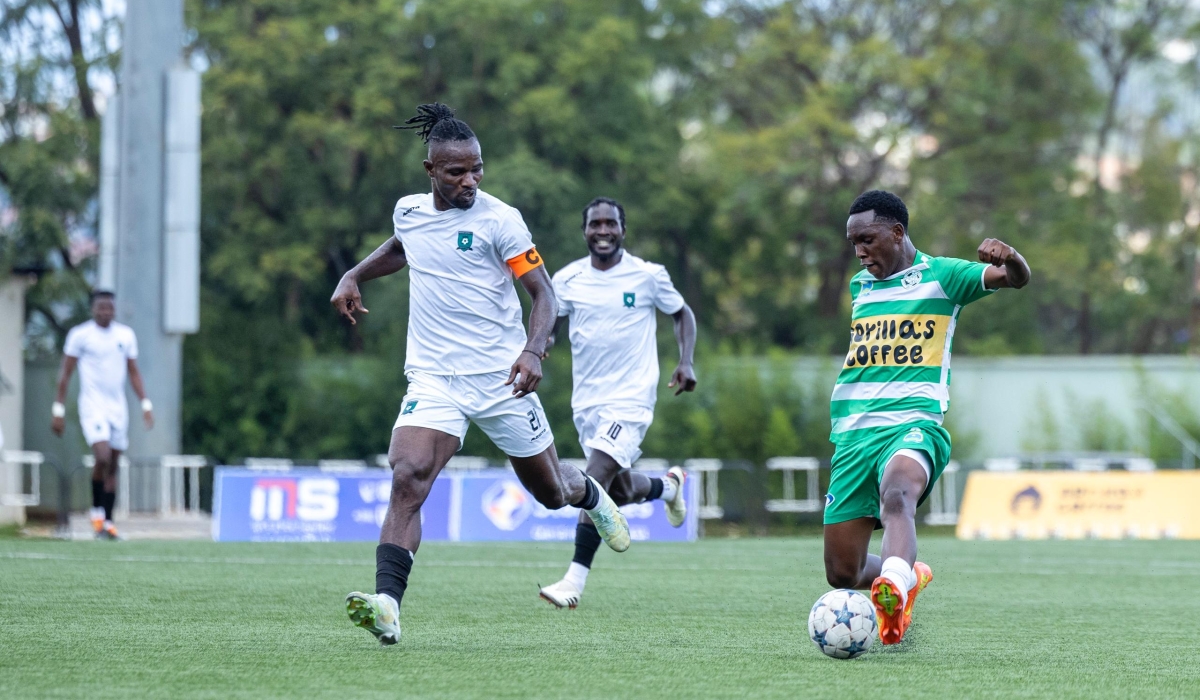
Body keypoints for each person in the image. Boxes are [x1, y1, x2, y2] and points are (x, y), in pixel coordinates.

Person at [330, 103, 631, 646]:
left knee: (551, 494)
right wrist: (354, 274)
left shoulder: (500, 220)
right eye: (455, 172)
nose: (469, 180)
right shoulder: (409, 212)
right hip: (433, 378)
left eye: (476, 169)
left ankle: (589, 493)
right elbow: (404, 246)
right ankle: (388, 606)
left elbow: (543, 292)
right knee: (407, 478)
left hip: (501, 377)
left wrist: (534, 351)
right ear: (430, 172)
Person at [822, 190, 1030, 644]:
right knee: (842, 572)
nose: (859, 251)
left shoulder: (943, 277)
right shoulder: (861, 287)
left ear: (897, 233)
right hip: (854, 435)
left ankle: (892, 587)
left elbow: (1016, 279)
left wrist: (1011, 257)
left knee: (897, 495)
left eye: (868, 239)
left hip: (913, 423)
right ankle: (907, 574)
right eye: (853, 242)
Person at [537, 197, 697, 609]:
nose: (603, 231)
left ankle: (573, 581)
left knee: (593, 477)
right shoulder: (568, 278)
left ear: (623, 229)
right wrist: (542, 341)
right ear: (585, 230)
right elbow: (549, 315)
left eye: (611, 223)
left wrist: (685, 360)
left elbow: (682, 314)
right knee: (618, 489)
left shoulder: (647, 276)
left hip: (631, 398)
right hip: (587, 402)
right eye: (595, 224)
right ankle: (668, 487)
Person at [52, 290, 154, 540]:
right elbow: (65, 373)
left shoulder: (125, 335)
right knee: (102, 456)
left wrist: (145, 404)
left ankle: (107, 523)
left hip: (117, 408)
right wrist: (58, 409)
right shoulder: (81, 335)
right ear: (93, 309)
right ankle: (97, 511)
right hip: (92, 405)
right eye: (101, 307)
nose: (106, 311)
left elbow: (133, 372)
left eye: (110, 307)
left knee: (114, 465)